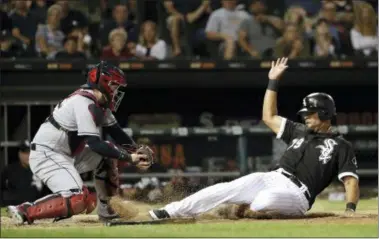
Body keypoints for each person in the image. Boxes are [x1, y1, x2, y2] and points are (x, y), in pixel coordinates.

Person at [148, 57, 359, 220]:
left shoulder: (341, 145)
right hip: (273, 177)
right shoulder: (298, 130)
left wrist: (350, 210)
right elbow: (268, 116)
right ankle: (170, 211)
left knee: (263, 201)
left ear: (324, 114)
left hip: (298, 194)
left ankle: (245, 209)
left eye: (310, 113)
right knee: (226, 189)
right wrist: (273, 82)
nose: (305, 116)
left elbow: (350, 181)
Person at [7, 61, 152, 225]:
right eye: (114, 85)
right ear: (102, 82)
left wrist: (137, 150)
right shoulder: (83, 102)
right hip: (46, 154)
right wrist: (130, 158)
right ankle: (24, 210)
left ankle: (108, 209)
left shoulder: (99, 104)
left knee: (107, 157)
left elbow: (116, 132)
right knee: (78, 199)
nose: (116, 90)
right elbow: (95, 144)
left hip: (66, 154)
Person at [1, 140, 47, 206]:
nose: (28, 156)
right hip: (14, 209)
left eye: (30, 152)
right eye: (25, 153)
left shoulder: (40, 169)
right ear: (19, 154)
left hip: (37, 209)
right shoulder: (9, 170)